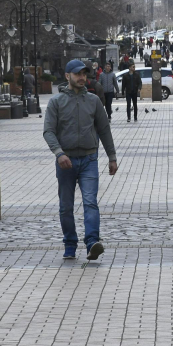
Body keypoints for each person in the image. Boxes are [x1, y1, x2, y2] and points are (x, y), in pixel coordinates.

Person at [43, 59, 117, 261]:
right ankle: (70, 244)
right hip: (65, 161)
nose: (82, 77)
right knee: (66, 206)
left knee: (90, 202)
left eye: (84, 74)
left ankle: (92, 242)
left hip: (89, 160)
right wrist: (59, 153)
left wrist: (112, 157)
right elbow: (48, 131)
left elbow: (104, 130)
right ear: (67, 76)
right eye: (77, 74)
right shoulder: (56, 102)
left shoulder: (93, 101)